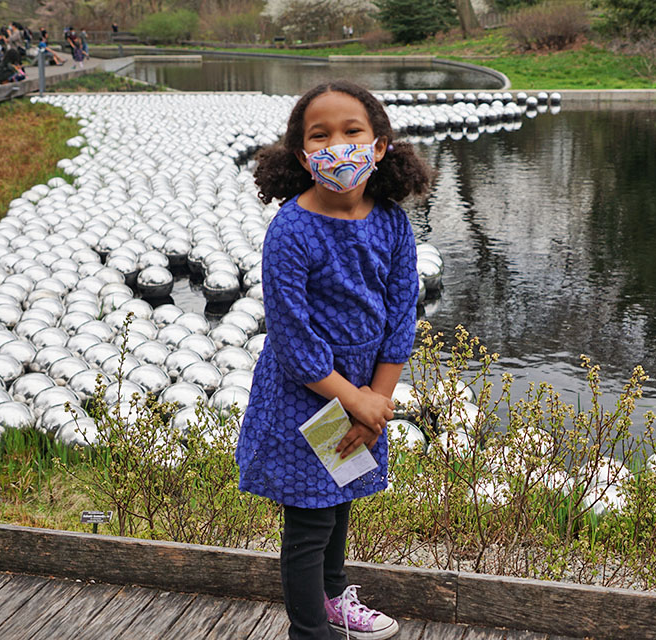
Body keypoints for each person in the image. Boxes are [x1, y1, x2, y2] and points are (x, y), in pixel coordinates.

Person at [239, 80, 431, 640]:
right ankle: (310, 630)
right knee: (310, 518)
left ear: (379, 146)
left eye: (352, 132)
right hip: (311, 394)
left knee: (342, 498)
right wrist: (355, 402)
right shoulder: (292, 231)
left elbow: (401, 314)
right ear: (302, 156)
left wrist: (378, 401)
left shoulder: (391, 222)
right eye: (320, 136)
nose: (337, 145)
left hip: (368, 389)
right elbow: (295, 343)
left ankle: (333, 599)